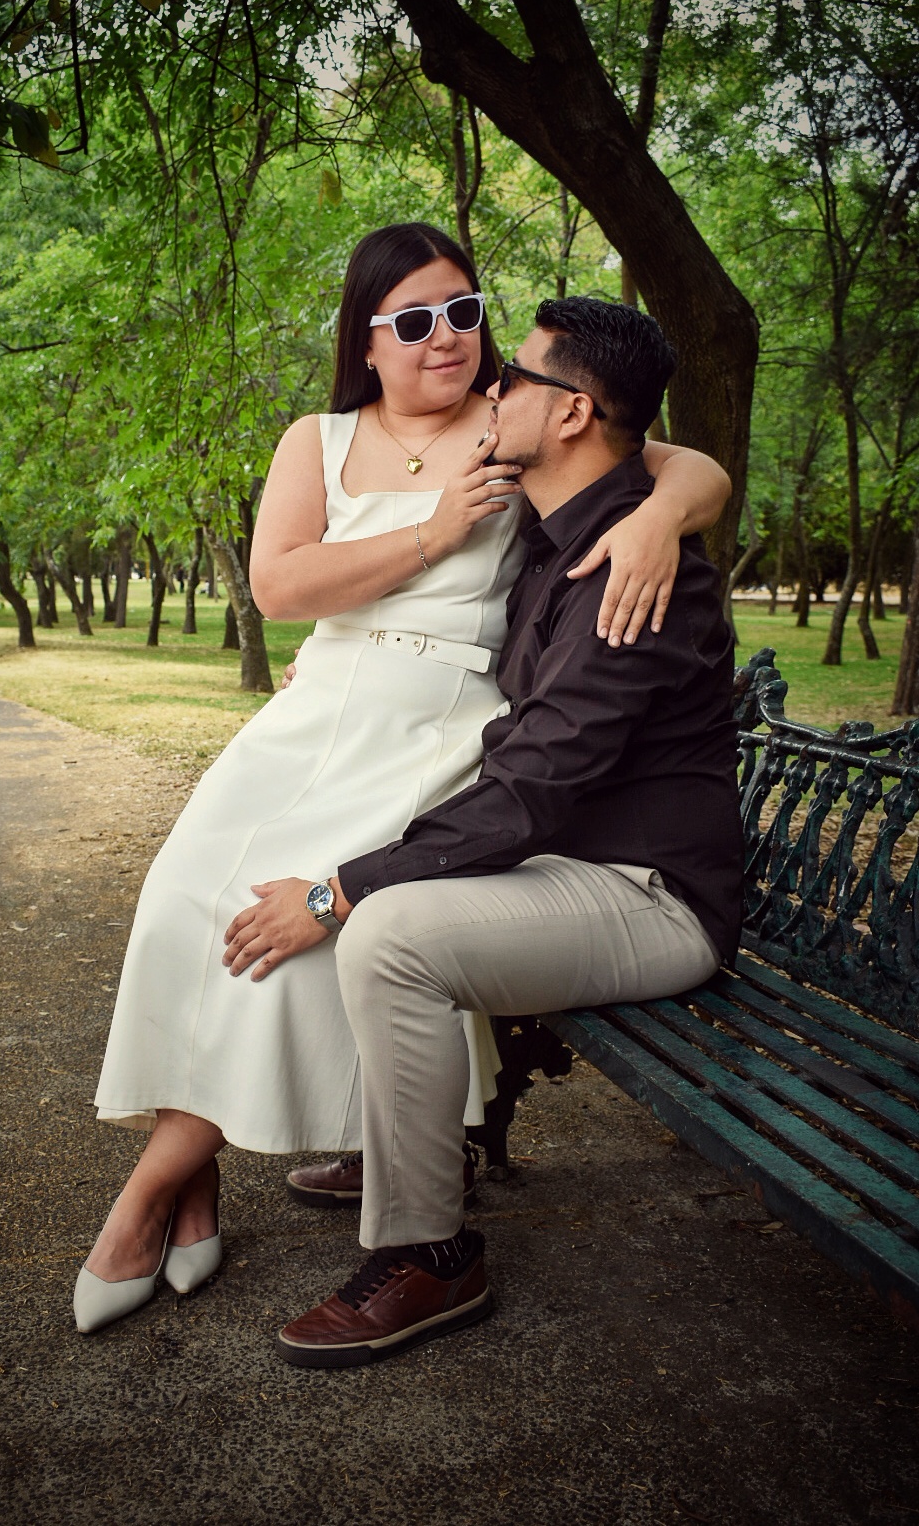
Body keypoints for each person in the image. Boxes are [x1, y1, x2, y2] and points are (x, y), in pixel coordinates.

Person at [74, 227, 731, 1334]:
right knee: (187, 905)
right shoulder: (431, 454)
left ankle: (190, 1202)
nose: (462, 348)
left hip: (528, 798)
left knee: (342, 929)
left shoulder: (592, 525)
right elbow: (284, 582)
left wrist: (665, 513)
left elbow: (659, 456)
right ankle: (194, 1184)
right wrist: (420, 551)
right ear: (367, 340)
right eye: (417, 320)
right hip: (352, 716)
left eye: (473, 320)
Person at [222, 295, 745, 1369]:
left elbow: (534, 792)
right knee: (388, 900)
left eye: (515, 374)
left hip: (653, 896)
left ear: (569, 415)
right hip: (575, 866)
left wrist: (333, 892)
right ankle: (409, 1161)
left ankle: (431, 1256)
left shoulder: (629, 577)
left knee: (385, 932)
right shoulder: (565, 538)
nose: (490, 388)